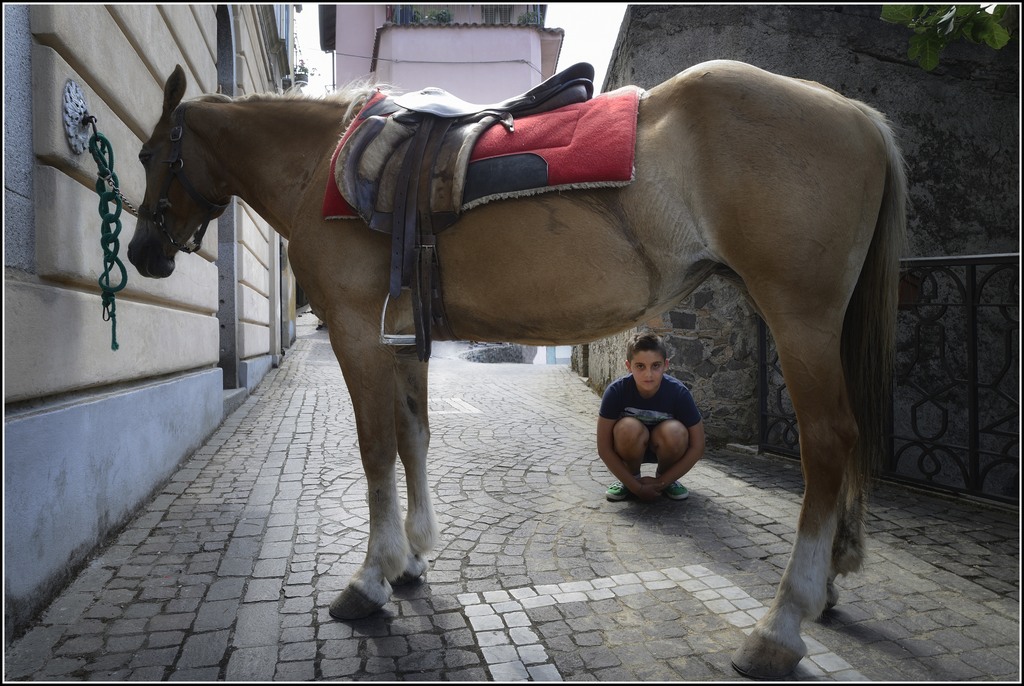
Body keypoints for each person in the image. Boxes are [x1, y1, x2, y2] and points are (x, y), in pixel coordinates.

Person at [596, 332, 705, 502]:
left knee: (675, 430)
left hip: (665, 447)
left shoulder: (678, 393)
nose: (648, 374)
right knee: (627, 427)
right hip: (629, 446)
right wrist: (636, 487)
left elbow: (698, 446)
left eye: (656, 366)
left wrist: (662, 482)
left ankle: (668, 479)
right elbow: (604, 448)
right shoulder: (616, 391)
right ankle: (630, 478)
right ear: (628, 366)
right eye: (640, 366)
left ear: (666, 365)